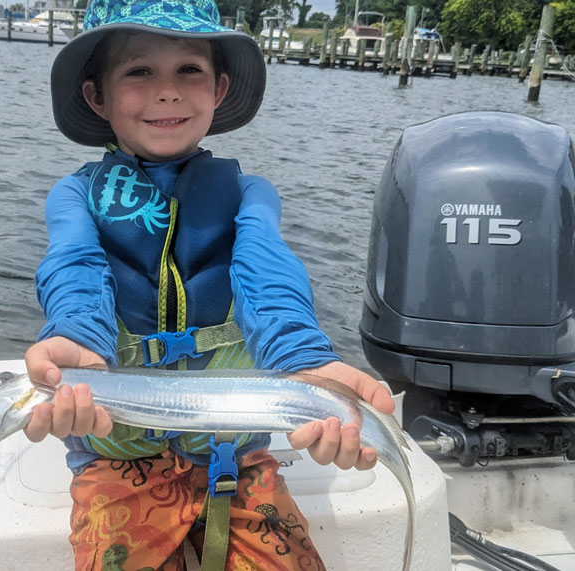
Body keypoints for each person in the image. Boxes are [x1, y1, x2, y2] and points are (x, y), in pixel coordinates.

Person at [24, 0, 396, 568]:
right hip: (116, 459)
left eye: (189, 70)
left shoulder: (251, 194)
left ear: (219, 89)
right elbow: (74, 269)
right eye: (139, 71)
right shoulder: (74, 197)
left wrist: (304, 362)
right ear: (97, 95)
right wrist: (77, 339)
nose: (167, 91)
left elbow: (267, 276)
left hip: (236, 456)